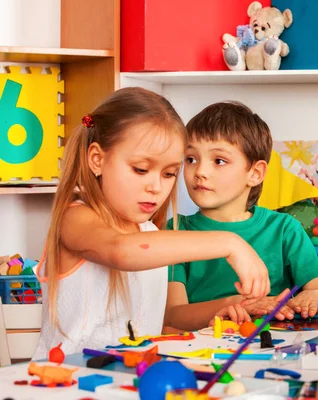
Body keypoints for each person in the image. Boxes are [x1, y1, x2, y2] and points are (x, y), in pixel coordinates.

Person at [33, 88, 270, 359]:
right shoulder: (74, 218)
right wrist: (231, 243)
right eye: (141, 169)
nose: (156, 187)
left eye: (169, 173)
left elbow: (142, 329)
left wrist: (209, 322)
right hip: (65, 383)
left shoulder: (150, 233)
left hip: (127, 381)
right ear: (97, 159)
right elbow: (122, 251)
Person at [164, 101, 318, 332]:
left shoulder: (284, 229)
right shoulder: (174, 231)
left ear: (255, 173)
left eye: (219, 161)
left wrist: (314, 296)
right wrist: (234, 304)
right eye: (191, 159)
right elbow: (172, 316)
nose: (200, 172)